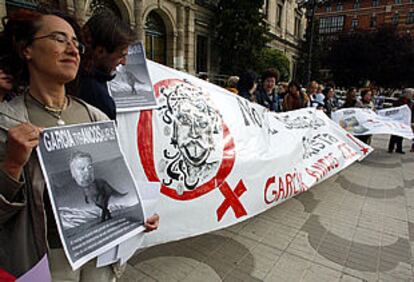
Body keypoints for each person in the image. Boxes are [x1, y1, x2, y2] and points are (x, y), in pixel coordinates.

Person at [0, 9, 158, 281]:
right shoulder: (7, 123)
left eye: (76, 43)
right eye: (59, 39)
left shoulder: (94, 116)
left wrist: (134, 216)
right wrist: (12, 166)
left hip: (98, 255)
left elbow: (113, 185)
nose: (72, 50)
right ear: (27, 50)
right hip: (47, 261)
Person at [78, 9, 136, 120]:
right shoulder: (97, 95)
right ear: (100, 51)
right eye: (121, 56)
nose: (124, 62)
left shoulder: (74, 76)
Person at [388, 89, 413, 154]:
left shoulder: (410, 102)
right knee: (394, 134)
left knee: (401, 135)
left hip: (404, 120)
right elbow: (394, 109)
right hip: (397, 119)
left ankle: (399, 148)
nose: (412, 95)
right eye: (411, 94)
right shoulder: (398, 101)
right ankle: (391, 148)